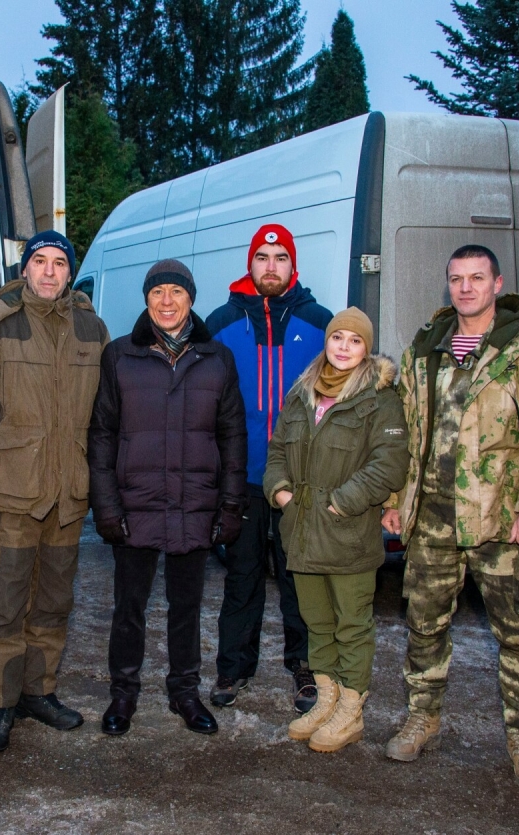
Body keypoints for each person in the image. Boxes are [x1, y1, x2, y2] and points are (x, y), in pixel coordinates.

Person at [381, 243, 519, 788]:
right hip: (432, 517)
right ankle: (423, 717)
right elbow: (406, 432)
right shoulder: (427, 347)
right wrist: (397, 500)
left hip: (500, 519)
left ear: (497, 283)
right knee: (424, 623)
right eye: (457, 279)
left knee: (518, 632)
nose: (466, 288)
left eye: (476, 278)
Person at [0, 230, 110, 753]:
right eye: (39, 261)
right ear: (25, 269)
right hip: (13, 493)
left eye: (58, 263)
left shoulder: (92, 328)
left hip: (68, 496)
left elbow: (108, 417)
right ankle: (0, 705)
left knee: (53, 604)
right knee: (6, 605)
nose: (48, 271)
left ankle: (38, 693)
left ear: (70, 272)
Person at [88, 259, 248, 737]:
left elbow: (232, 437)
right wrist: (107, 507)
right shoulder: (119, 356)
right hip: (135, 505)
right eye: (158, 292)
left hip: (193, 504)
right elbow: (101, 436)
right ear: (146, 299)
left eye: (176, 292)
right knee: (129, 607)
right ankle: (123, 694)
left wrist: (231, 505)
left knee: (187, 606)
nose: (167, 301)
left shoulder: (216, 359)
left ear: (191, 299)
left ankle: (185, 693)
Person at [263, 307, 409, 753]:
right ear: (327, 342)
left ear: (367, 349)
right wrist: (281, 495)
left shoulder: (380, 399)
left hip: (347, 535)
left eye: (355, 340)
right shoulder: (301, 394)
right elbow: (275, 455)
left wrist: (340, 501)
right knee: (317, 622)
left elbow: (389, 463)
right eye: (337, 338)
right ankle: (326, 699)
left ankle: (351, 709)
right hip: (302, 534)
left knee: (352, 625)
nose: (344, 347)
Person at [207, 223, 333, 713]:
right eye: (263, 256)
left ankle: (304, 667)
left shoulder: (321, 323)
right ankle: (233, 667)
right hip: (239, 476)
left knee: (300, 576)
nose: (271, 266)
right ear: (250, 263)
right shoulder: (219, 323)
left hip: (300, 480)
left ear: (292, 264)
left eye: (281, 257)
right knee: (241, 577)